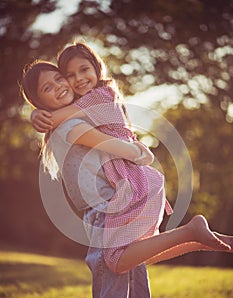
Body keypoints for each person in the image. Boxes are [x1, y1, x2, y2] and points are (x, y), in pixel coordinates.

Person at [31, 42, 232, 276]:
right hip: (136, 177)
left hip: (129, 178)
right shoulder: (96, 97)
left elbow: (56, 118)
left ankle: (191, 232)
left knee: (116, 260)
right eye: (70, 75)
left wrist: (37, 113)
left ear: (97, 68)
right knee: (138, 253)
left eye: (84, 70)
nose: (79, 78)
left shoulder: (98, 97)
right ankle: (205, 239)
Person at [21, 61, 155, 298]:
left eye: (60, 78)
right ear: (40, 101)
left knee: (136, 296)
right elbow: (111, 143)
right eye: (48, 87)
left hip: (120, 206)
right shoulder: (70, 123)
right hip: (105, 210)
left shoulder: (86, 108)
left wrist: (38, 115)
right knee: (114, 295)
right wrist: (140, 152)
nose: (60, 86)